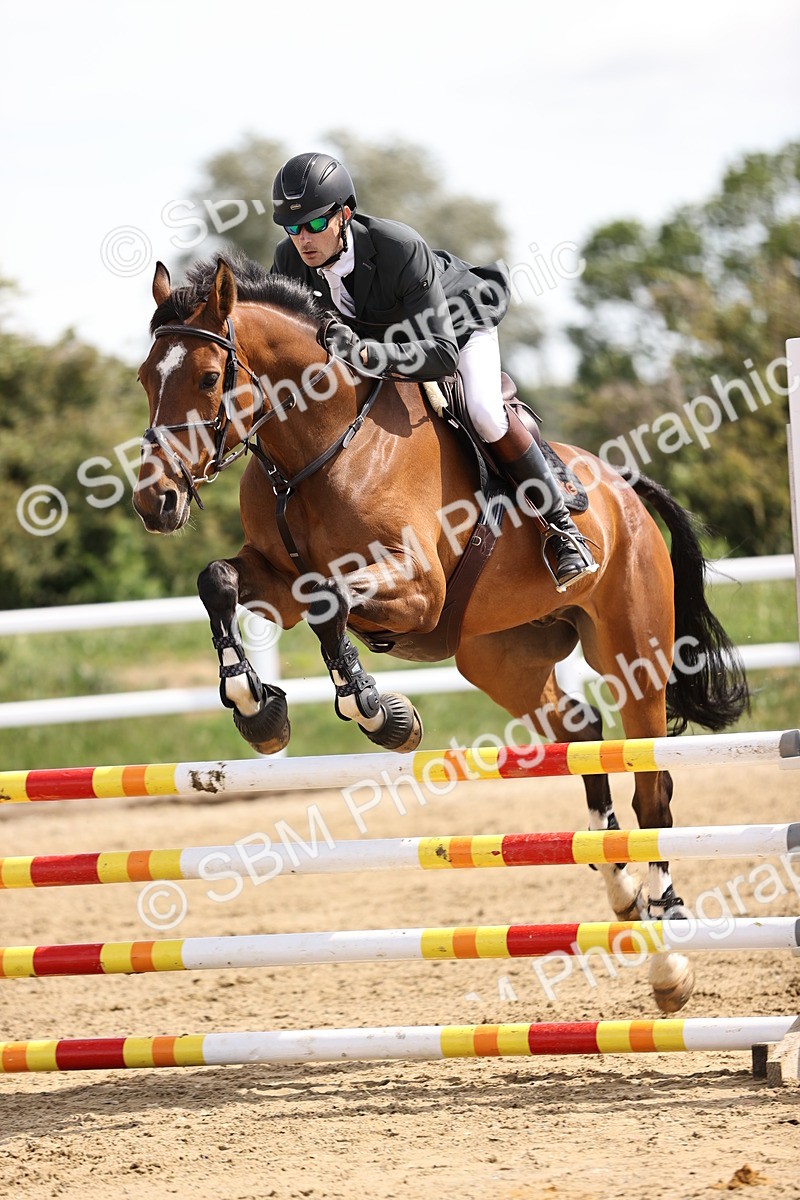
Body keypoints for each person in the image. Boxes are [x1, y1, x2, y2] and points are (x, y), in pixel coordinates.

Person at [270, 152, 596, 591]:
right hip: (386, 340)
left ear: (344, 214)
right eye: (292, 228)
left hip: (456, 325)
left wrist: (367, 354)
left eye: (313, 225)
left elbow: (440, 353)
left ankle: (561, 530)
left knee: (483, 411)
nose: (303, 239)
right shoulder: (288, 262)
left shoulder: (396, 246)